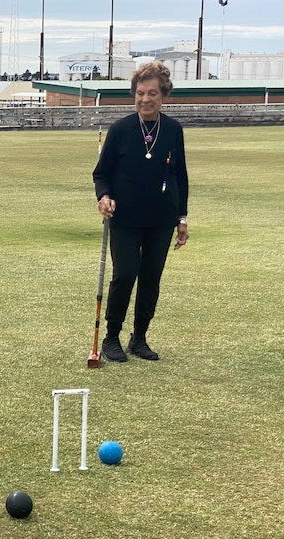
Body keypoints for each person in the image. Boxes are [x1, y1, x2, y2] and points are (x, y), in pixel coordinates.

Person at [92, 61, 190, 362]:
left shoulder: (173, 130)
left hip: (161, 218)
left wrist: (182, 218)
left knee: (150, 277)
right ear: (134, 95)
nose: (145, 99)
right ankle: (111, 338)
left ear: (164, 96)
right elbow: (101, 173)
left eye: (152, 93)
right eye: (140, 93)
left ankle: (140, 338)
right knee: (126, 273)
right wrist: (104, 196)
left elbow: (180, 177)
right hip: (124, 218)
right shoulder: (120, 130)